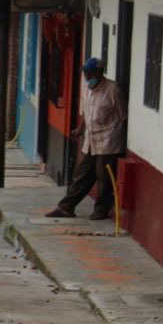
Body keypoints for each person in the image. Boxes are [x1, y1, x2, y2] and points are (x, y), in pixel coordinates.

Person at [46, 58, 126, 220]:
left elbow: (123, 117)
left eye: (89, 72)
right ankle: (66, 207)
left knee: (104, 179)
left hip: (108, 142)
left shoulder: (113, 90)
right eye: (85, 72)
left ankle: (101, 210)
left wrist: (120, 141)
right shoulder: (87, 89)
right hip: (90, 141)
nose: (86, 75)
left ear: (99, 72)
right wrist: (80, 129)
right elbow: (86, 113)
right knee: (81, 174)